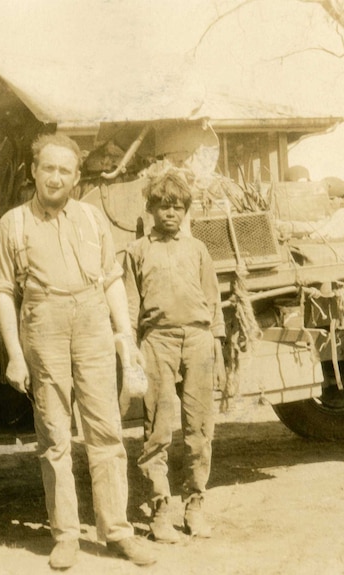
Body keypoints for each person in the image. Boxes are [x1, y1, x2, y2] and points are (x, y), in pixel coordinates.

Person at [0, 133, 156, 570]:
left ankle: (116, 531)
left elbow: (110, 280)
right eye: (48, 167)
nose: (56, 177)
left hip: (92, 320)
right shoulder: (13, 224)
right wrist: (13, 353)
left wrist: (126, 337)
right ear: (33, 171)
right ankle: (65, 535)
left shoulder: (92, 218)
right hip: (43, 321)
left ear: (76, 176)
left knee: (106, 430)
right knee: (54, 435)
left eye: (65, 170)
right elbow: (5, 292)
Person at [122, 167, 226, 543]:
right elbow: (131, 305)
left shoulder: (198, 250)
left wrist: (217, 343)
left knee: (199, 429)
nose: (171, 213)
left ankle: (195, 505)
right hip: (157, 341)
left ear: (186, 211)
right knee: (158, 428)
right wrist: (130, 349)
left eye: (178, 207)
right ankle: (160, 508)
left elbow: (213, 301)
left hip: (197, 340)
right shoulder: (136, 251)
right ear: (150, 208)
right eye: (163, 206)